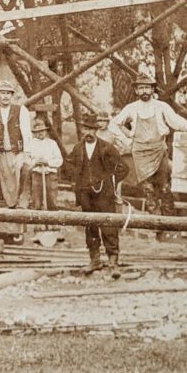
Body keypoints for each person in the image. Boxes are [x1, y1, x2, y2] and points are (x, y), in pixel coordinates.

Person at [108, 75, 187, 216]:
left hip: (159, 151)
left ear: (153, 89)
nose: (144, 91)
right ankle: (155, 223)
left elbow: (175, 121)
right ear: (136, 90)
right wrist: (127, 140)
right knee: (148, 190)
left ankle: (169, 222)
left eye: (147, 87)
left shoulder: (161, 107)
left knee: (165, 187)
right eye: (141, 88)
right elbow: (113, 124)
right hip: (140, 154)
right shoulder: (131, 108)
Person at [62, 113, 129, 278]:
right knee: (90, 227)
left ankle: (113, 262)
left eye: (92, 129)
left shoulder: (107, 148)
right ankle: (95, 260)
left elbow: (123, 168)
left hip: (104, 195)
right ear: (82, 129)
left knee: (109, 226)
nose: (88, 132)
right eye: (85, 128)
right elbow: (67, 166)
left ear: (96, 130)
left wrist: (110, 182)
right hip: (85, 194)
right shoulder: (78, 148)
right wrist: (76, 179)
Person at [0, 80, 34, 208]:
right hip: (2, 151)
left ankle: (22, 204)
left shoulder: (20, 110)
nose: (5, 96)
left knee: (21, 174)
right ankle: (10, 204)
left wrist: (26, 152)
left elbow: (26, 131)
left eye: (8, 93)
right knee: (6, 178)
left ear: (12, 95)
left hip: (18, 150)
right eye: (2, 93)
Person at [27, 117, 64, 211]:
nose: (40, 133)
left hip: (50, 175)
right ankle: (38, 224)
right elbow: (27, 160)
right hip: (37, 175)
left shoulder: (52, 143)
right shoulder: (31, 144)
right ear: (34, 133)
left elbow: (59, 160)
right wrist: (35, 162)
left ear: (46, 131)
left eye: (42, 131)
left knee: (52, 201)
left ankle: (52, 223)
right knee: (37, 201)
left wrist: (48, 162)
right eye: (37, 131)